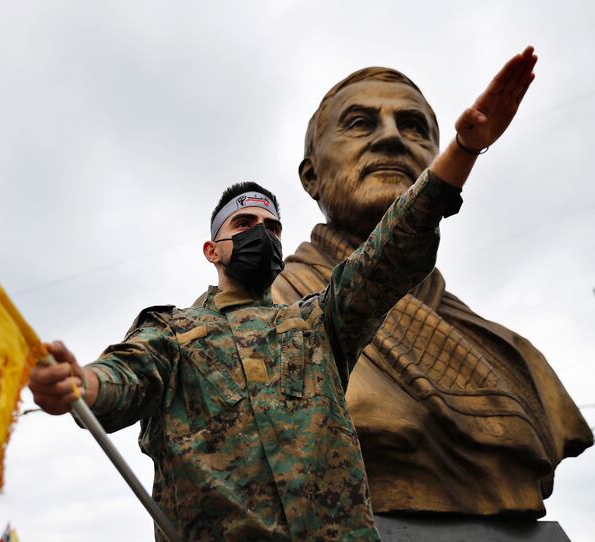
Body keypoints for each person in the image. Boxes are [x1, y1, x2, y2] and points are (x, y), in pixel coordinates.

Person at [30, 47, 539, 541]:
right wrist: (78, 384)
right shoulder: (172, 333)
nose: (261, 234)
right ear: (212, 249)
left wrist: (463, 151)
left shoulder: (318, 325)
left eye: (271, 227)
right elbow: (122, 378)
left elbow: (391, 252)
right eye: (245, 223)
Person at [272, 51, 593, 515]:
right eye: (361, 123)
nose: (391, 140)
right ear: (311, 176)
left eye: (413, 127)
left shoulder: (514, 358)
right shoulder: (267, 318)